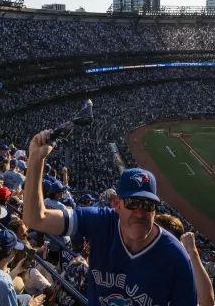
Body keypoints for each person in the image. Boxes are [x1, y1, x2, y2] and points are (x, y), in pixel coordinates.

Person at [22, 130, 197, 306]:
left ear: (155, 210)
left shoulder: (176, 258)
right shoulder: (101, 222)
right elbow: (35, 219)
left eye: (148, 204)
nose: (140, 212)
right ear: (116, 204)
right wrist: (37, 160)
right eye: (132, 202)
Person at [0, 229, 36, 306]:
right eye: (15, 250)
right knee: (30, 300)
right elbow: (2, 284)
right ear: (11, 252)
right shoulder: (5, 285)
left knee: (27, 297)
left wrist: (18, 270)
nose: (16, 252)